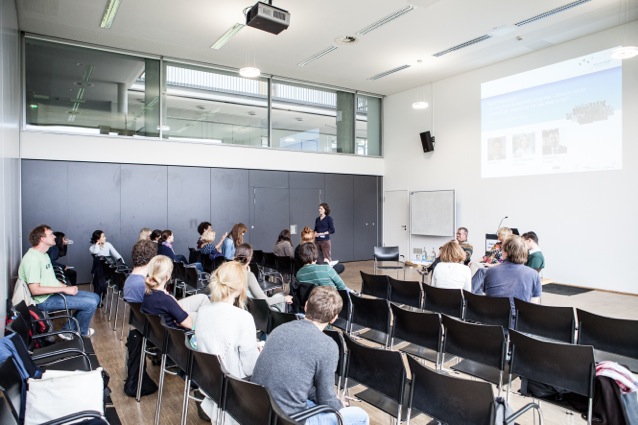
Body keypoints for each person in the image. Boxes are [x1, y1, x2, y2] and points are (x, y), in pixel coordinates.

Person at [252, 286, 369, 425]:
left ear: (306, 306)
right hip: (288, 419)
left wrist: (332, 401)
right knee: (360, 416)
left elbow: (299, 381)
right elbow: (327, 400)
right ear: (334, 318)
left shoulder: (280, 329)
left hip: (257, 408)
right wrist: (338, 404)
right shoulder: (328, 346)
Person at [194, 260, 262, 423]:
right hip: (236, 386)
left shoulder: (202, 311)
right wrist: (258, 351)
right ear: (239, 288)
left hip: (209, 382)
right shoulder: (243, 318)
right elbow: (249, 367)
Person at [19, 225, 100, 337]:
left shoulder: (43, 255)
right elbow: (35, 290)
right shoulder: (32, 259)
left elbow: (52, 279)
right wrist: (63, 289)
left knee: (95, 297)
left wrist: (66, 287)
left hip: (52, 294)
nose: (54, 237)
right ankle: (80, 331)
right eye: (51, 234)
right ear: (42, 239)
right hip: (43, 300)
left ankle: (68, 330)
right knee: (90, 303)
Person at [141, 255, 209, 329]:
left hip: (167, 323)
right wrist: (175, 304)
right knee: (206, 316)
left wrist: (173, 301)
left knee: (203, 298)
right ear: (167, 276)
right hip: (179, 329)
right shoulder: (166, 300)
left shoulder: (147, 294)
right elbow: (190, 324)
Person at [481, 236, 542, 315]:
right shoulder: (534, 275)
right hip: (518, 324)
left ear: (505, 252)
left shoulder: (490, 272)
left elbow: (486, 296)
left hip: (493, 322)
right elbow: (533, 307)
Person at [235, 243, 292, 311]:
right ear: (249, 258)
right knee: (280, 293)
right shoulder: (249, 276)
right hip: (257, 311)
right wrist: (284, 298)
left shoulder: (230, 273)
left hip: (241, 308)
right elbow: (265, 301)